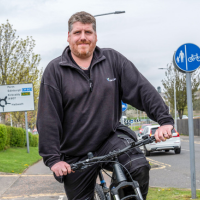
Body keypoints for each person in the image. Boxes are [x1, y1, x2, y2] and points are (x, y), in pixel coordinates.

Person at [37, 11, 174, 200]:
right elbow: (48, 118)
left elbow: (142, 90)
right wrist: (53, 160)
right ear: (68, 37)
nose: (83, 37)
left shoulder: (113, 60)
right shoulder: (55, 71)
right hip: (74, 151)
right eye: (77, 33)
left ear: (95, 36)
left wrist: (164, 120)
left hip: (109, 139)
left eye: (88, 32)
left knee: (139, 166)